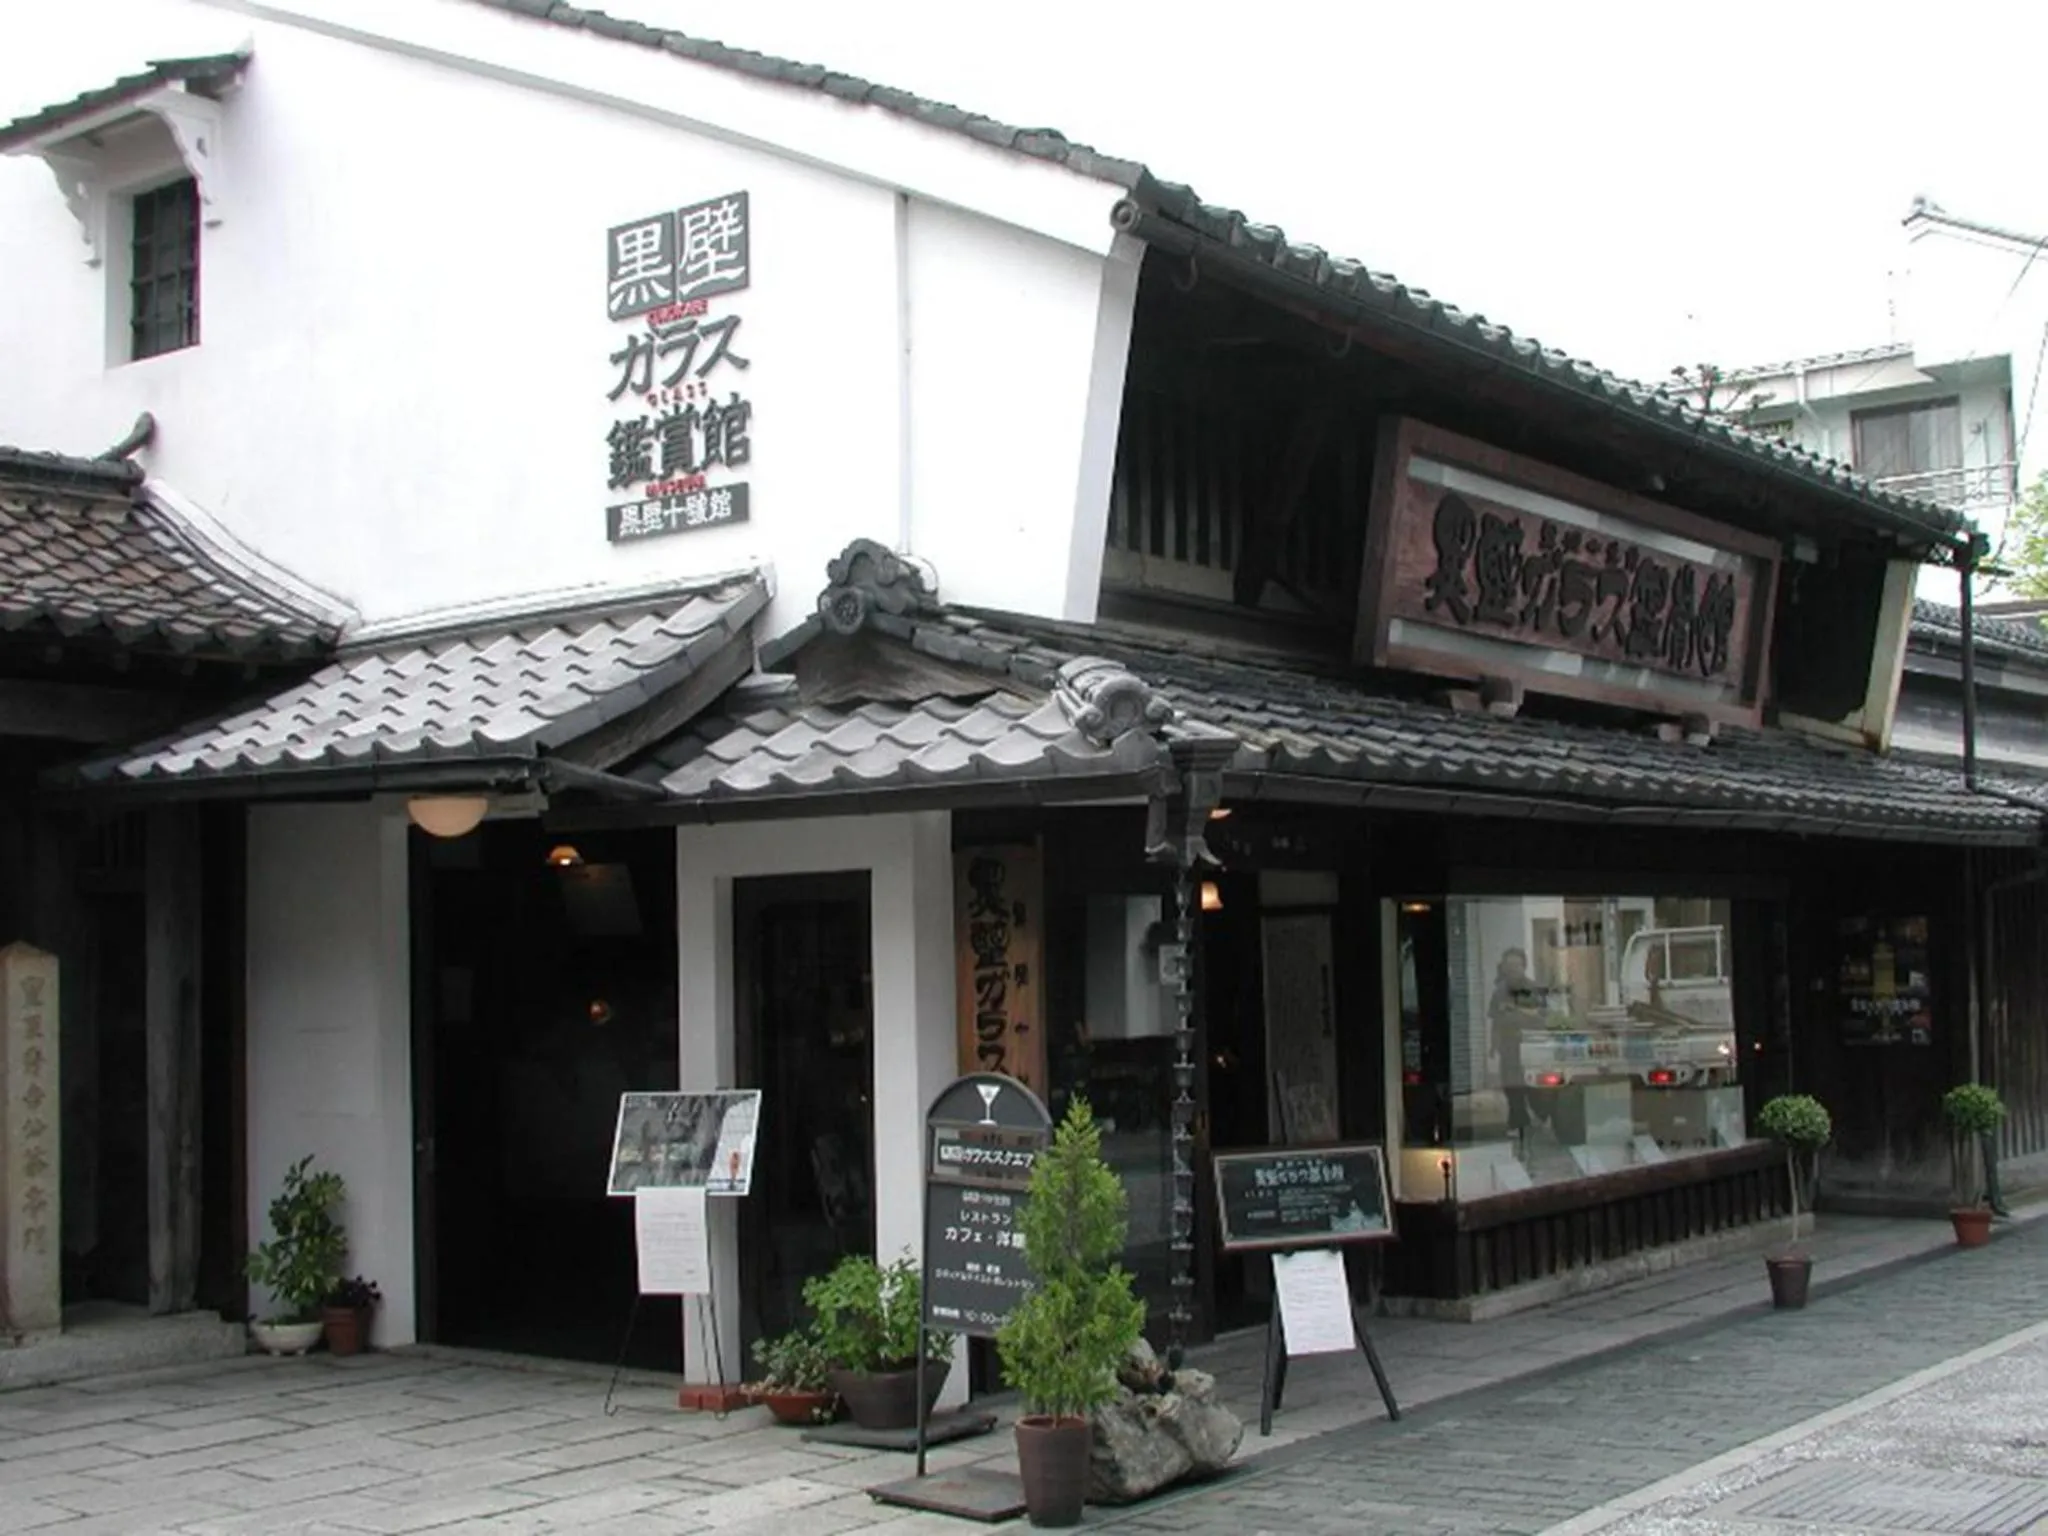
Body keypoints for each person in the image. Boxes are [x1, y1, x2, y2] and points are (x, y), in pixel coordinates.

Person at [1489, 948, 1544, 1141]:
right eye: (1509, 965)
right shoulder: (1499, 992)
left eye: (1516, 965)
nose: (1512, 969)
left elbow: (1541, 1016)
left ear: (1524, 966)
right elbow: (1495, 1020)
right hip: (1508, 1045)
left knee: (1532, 1086)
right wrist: (1493, 1045)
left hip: (1530, 1045)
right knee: (1511, 1087)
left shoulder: (1533, 988)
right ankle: (1518, 1122)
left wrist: (1519, 1011)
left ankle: (1540, 1115)